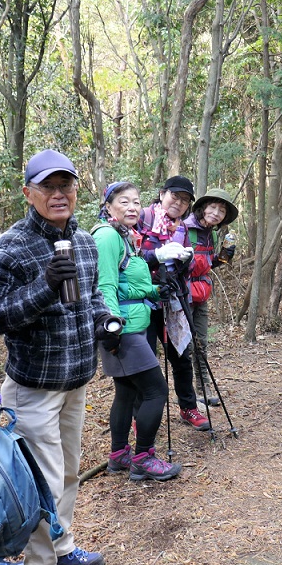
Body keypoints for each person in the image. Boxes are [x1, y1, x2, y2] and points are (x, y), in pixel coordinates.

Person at [0, 149, 118, 565]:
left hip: (76, 382)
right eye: (48, 187)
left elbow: (91, 297)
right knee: (44, 482)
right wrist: (44, 287)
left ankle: (62, 547)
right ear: (28, 193)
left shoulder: (84, 242)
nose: (58, 194)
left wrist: (104, 321)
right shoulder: (12, 246)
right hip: (33, 390)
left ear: (76, 190)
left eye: (65, 186)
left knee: (68, 474)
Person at [92, 181, 182, 481]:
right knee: (156, 391)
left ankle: (119, 454)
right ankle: (143, 457)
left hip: (131, 324)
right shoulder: (107, 237)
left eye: (136, 202)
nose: (132, 207)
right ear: (108, 207)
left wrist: (156, 291)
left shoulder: (125, 237)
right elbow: (105, 285)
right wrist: (110, 325)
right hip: (122, 330)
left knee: (127, 392)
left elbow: (127, 285)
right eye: (123, 202)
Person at [138, 176, 211, 431]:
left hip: (173, 301)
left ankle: (188, 407)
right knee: (145, 360)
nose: (179, 203)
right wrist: (156, 256)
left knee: (181, 356)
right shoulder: (143, 217)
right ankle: (141, 415)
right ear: (162, 194)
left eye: (185, 200)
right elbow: (130, 258)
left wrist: (186, 260)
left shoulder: (182, 229)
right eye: (175, 196)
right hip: (144, 301)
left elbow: (187, 269)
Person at [172, 188, 239, 406]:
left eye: (222, 211)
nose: (216, 213)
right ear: (203, 207)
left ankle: (204, 389)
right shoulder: (184, 227)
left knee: (201, 343)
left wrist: (223, 257)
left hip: (201, 294)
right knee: (186, 346)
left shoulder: (211, 233)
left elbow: (207, 264)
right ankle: (187, 394)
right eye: (213, 207)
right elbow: (175, 263)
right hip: (183, 295)